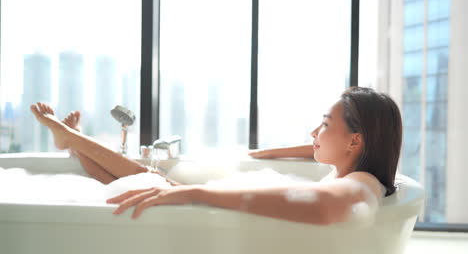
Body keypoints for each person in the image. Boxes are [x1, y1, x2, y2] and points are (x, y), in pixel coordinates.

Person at [31, 86, 402, 225]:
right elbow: (310, 151)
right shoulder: (359, 170)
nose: (313, 134)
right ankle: (75, 145)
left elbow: (324, 207)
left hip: (222, 215)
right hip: (241, 209)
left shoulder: (359, 186)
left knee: (149, 180)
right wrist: (260, 153)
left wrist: (193, 193)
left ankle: (73, 141)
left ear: (355, 141)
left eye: (324, 124)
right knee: (140, 180)